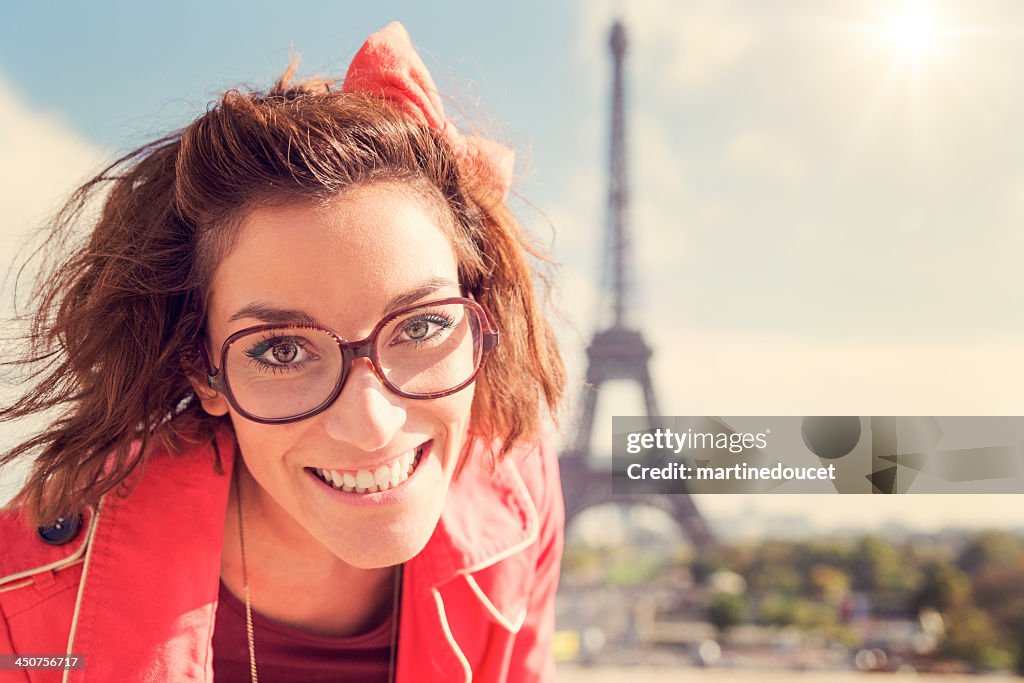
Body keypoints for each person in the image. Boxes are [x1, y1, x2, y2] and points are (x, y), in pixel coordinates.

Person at [0, 22, 564, 683]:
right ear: (202, 367)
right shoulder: (29, 594)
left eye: (419, 326)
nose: (371, 423)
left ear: (481, 315)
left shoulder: (520, 493)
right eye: (283, 349)